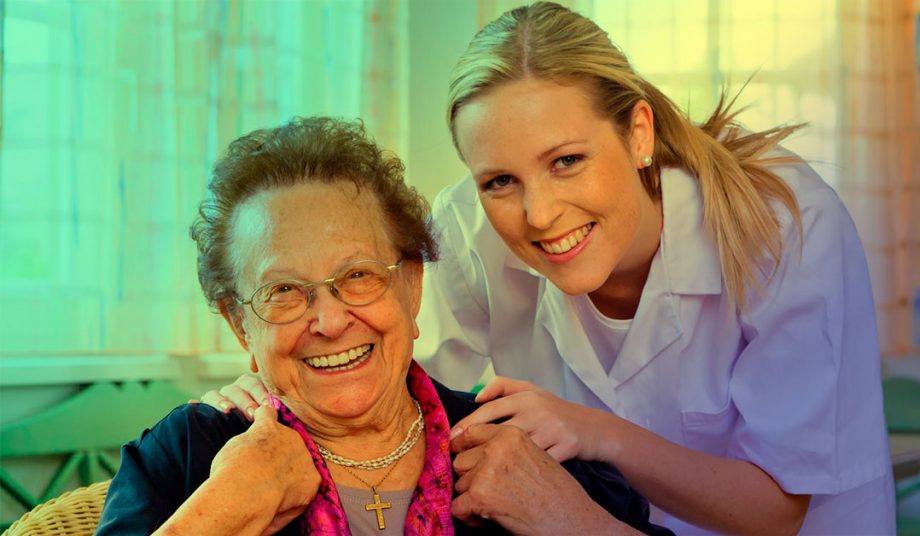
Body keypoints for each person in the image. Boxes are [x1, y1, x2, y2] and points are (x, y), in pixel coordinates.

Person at [204, 3, 895, 534]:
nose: (537, 213)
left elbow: (776, 512)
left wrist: (592, 431)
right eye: (499, 180)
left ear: (640, 132)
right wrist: (277, 378)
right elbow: (389, 379)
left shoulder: (783, 222)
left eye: (567, 161)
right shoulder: (469, 233)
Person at [95, 117, 672, 536]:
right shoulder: (190, 457)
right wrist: (225, 511)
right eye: (284, 292)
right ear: (240, 324)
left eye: (359, 275)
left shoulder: (520, 449)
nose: (329, 319)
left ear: (412, 286)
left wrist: (571, 522)